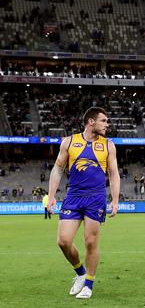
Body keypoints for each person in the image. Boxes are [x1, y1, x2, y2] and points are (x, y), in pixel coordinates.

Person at [46, 107, 120, 299]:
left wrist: (116, 199)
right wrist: (52, 195)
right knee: (63, 241)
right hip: (73, 196)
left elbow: (113, 174)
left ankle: (88, 284)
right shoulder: (69, 142)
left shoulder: (108, 145)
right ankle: (80, 273)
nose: (107, 124)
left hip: (96, 198)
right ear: (91, 122)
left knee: (90, 242)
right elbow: (57, 169)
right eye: (103, 121)